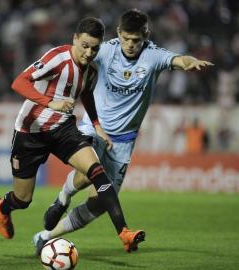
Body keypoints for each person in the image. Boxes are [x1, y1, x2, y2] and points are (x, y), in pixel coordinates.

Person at [33, 9, 214, 255]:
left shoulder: (153, 56)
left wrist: (187, 62)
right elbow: (78, 54)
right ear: (118, 33)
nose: (130, 45)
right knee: (88, 173)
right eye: (126, 38)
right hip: (94, 128)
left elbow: (177, 59)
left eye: (136, 40)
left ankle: (45, 236)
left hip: (124, 142)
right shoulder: (105, 50)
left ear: (145, 35)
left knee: (97, 205)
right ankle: (62, 198)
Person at [0, 17, 145, 253]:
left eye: (94, 48)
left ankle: (124, 232)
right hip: (30, 132)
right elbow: (19, 82)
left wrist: (96, 124)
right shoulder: (57, 58)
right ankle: (4, 206)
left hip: (63, 129)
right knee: (23, 199)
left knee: (96, 171)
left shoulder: (91, 69)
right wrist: (49, 103)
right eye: (84, 45)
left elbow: (85, 94)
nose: (88, 52)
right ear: (75, 39)